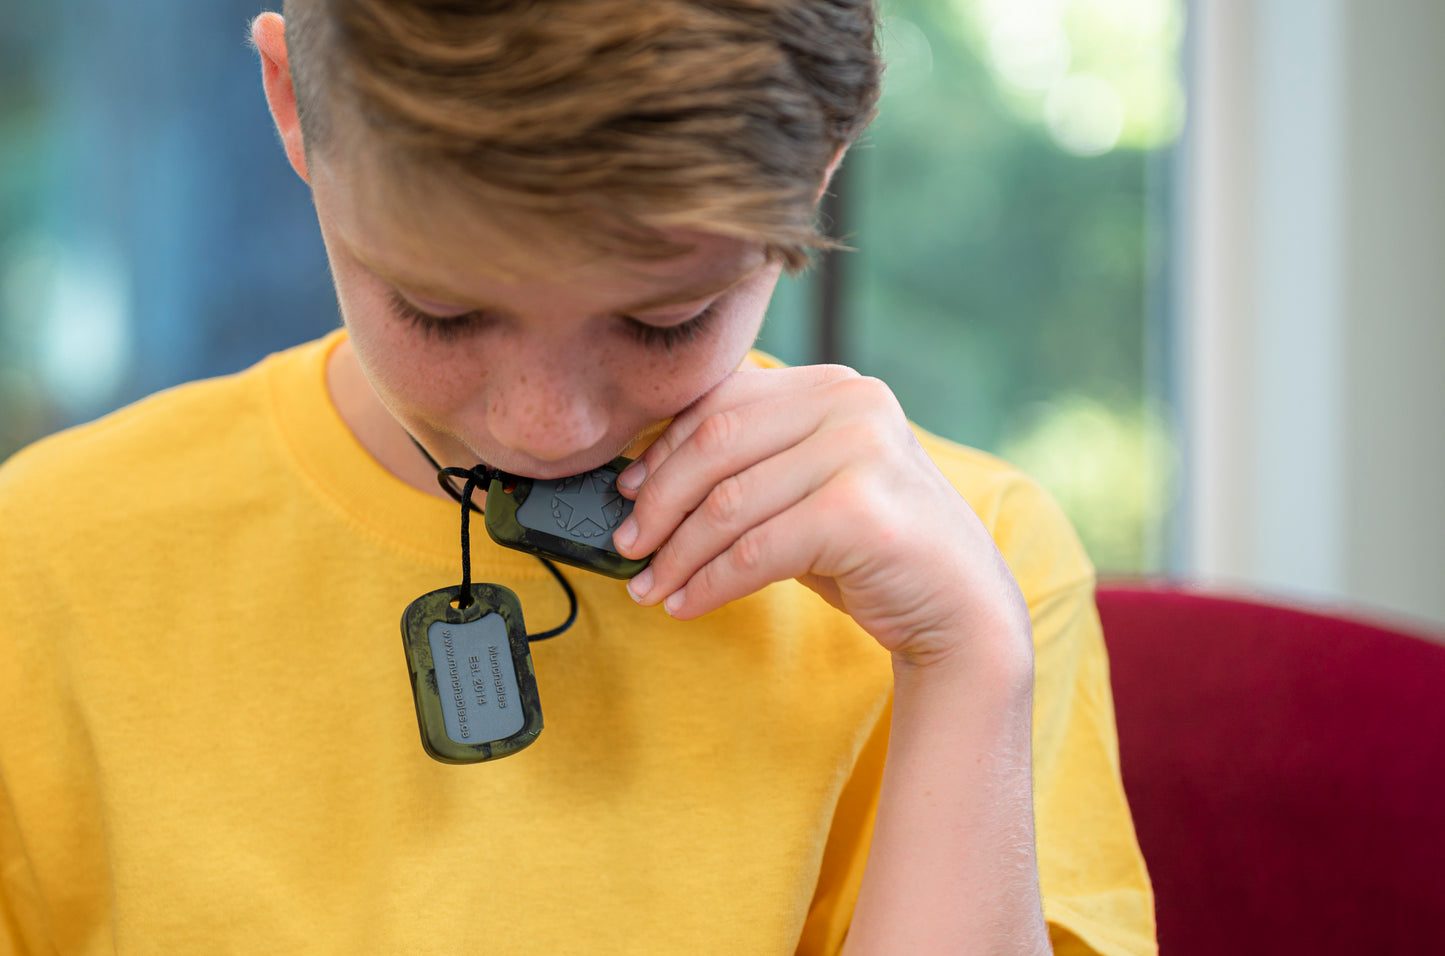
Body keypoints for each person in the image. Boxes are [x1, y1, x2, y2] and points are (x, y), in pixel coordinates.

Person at [0, 1, 1155, 952]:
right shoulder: (37, 563)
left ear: (822, 168)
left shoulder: (972, 577)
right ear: (294, 106)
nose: (544, 427)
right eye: (441, 310)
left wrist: (967, 670)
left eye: (667, 320)